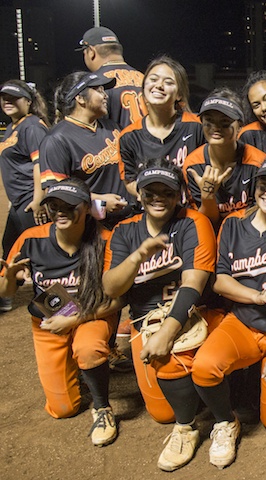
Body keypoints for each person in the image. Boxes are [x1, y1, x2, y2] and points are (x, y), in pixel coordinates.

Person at [192, 156, 266, 468]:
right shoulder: (232, 224)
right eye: (265, 185)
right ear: (254, 187)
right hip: (244, 324)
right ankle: (225, 422)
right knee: (204, 368)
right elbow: (220, 282)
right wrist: (259, 296)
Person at [102, 159, 218, 471]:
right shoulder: (125, 232)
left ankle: (188, 427)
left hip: (195, 314)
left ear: (179, 193)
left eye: (166, 191)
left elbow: (194, 284)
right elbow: (112, 288)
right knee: (160, 412)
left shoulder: (193, 222)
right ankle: (189, 402)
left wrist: (167, 332)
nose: (158, 197)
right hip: (145, 321)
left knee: (175, 361)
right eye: (150, 191)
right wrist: (138, 256)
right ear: (138, 194)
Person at [0, 179, 122, 446]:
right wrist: (9, 278)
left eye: (69, 206)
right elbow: (6, 293)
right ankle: (77, 367)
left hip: (91, 313)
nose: (60, 211)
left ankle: (102, 408)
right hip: (48, 320)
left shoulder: (106, 239)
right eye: (54, 205)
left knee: (88, 348)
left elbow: (117, 301)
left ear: (87, 207)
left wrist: (76, 318)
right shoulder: (31, 238)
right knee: (63, 408)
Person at [39, 71, 134, 230]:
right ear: (80, 98)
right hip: (90, 230)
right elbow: (54, 193)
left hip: (127, 224)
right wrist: (98, 202)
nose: (105, 96)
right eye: (98, 90)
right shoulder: (57, 139)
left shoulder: (113, 128)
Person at [117, 55, 204, 198]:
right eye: (153, 79)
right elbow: (130, 181)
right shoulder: (129, 136)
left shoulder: (197, 127)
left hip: (189, 212)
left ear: (179, 94)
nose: (159, 85)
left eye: (168, 82)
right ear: (144, 86)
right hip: (151, 211)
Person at [183, 91, 266, 229]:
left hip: (249, 233)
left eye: (225, 122)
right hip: (212, 235)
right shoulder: (193, 165)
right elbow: (204, 224)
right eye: (209, 121)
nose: (216, 128)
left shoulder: (258, 162)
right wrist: (207, 197)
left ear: (240, 125)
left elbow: (265, 216)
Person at [0, 80, 50, 311]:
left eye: (14, 98)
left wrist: (39, 199)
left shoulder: (32, 125)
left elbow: (41, 163)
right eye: (4, 98)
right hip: (20, 201)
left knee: (40, 253)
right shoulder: (14, 127)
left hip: (31, 200)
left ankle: (58, 305)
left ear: (28, 102)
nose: (7, 102)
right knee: (11, 246)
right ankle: (5, 293)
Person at [76, 26, 145, 128]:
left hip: (117, 142)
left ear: (91, 51)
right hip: (152, 142)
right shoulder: (146, 79)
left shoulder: (94, 83)